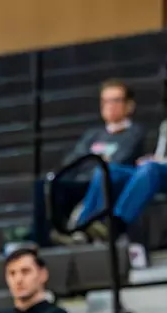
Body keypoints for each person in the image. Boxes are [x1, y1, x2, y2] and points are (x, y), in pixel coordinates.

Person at [69, 58, 167, 247]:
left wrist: (166, 162)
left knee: (151, 169)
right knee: (110, 171)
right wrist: (157, 161)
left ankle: (117, 224)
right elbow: (160, 158)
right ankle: (84, 225)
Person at [33, 80, 149, 244]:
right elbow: (73, 160)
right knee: (44, 185)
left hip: (108, 182)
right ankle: (41, 242)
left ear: (129, 105)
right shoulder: (93, 134)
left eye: (115, 100)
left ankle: (81, 227)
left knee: (103, 173)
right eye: (105, 101)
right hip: (82, 180)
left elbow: (121, 160)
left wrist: (94, 163)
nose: (109, 105)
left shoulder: (135, 133)